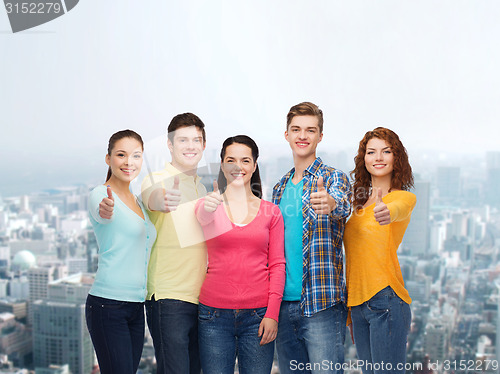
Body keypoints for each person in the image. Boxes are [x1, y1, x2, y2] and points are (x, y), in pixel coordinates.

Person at [195, 135, 286, 374]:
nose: (238, 167)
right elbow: (201, 217)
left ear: (254, 165)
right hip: (213, 315)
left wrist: (272, 314)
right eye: (231, 160)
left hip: (258, 317)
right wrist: (209, 206)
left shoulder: (271, 212)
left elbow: (277, 265)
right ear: (222, 165)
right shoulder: (208, 205)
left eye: (245, 160)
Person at [272, 102, 352, 374]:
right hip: (282, 306)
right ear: (287, 135)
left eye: (310, 130)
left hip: (321, 304)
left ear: (320, 136)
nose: (302, 136)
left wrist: (329, 203)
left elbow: (342, 205)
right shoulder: (279, 187)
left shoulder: (334, 179)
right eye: (296, 129)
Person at [344, 127, 416, 374]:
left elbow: (400, 209)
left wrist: (388, 212)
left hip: (387, 300)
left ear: (396, 158)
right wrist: (352, 313)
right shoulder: (357, 204)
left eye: (386, 151)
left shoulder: (402, 198)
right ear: (363, 159)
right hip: (359, 306)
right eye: (371, 152)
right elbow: (353, 258)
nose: (378, 157)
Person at [141, 113, 208, 374]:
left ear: (203, 145)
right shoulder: (155, 179)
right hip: (169, 298)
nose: (190, 146)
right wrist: (163, 200)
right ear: (170, 145)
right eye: (182, 140)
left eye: (196, 140)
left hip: (202, 299)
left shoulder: (202, 188)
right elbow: (153, 198)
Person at [86, 129, 157, 374]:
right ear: (109, 159)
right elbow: (101, 210)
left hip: (137, 307)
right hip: (108, 305)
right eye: (121, 155)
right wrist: (105, 209)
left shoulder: (138, 202)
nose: (129, 162)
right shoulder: (101, 194)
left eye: (136, 156)